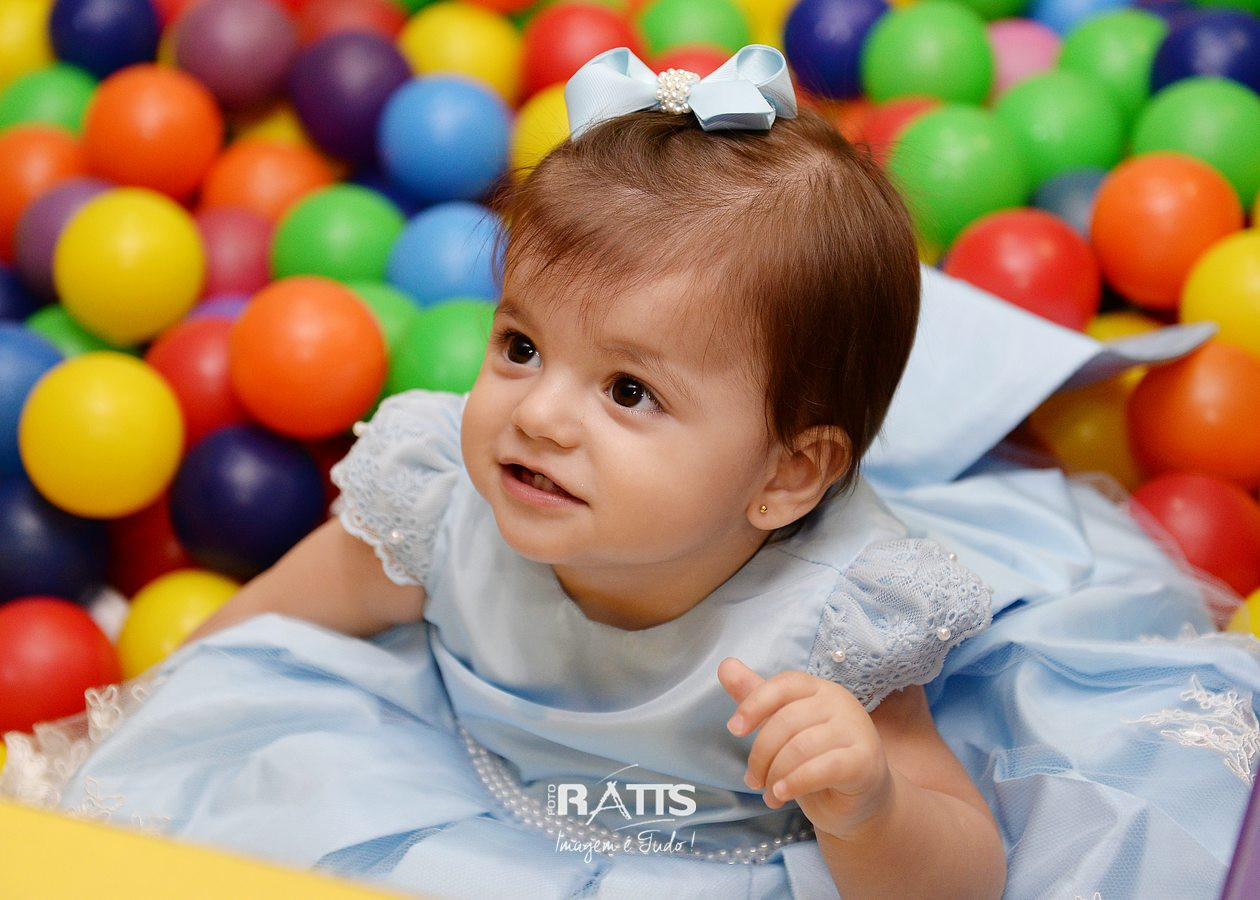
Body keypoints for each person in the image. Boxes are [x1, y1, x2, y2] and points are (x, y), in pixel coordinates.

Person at [5, 46, 1259, 899]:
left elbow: (964, 878)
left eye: (627, 392)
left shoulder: (839, 619)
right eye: (519, 345)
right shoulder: (447, 490)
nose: (538, 415)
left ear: (787, 478)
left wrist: (870, 805)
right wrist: (137, 727)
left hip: (705, 859)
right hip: (441, 781)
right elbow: (279, 618)